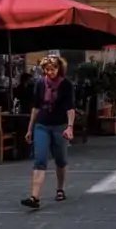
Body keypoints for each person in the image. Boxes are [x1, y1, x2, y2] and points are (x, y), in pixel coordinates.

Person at [22, 55, 75, 209]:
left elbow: (70, 107)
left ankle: (60, 189)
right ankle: (35, 197)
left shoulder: (66, 85)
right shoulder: (40, 83)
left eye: (52, 69)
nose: (49, 72)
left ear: (59, 69)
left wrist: (70, 126)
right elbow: (36, 107)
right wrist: (29, 128)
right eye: (46, 70)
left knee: (61, 160)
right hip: (42, 125)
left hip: (60, 126)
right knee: (39, 160)